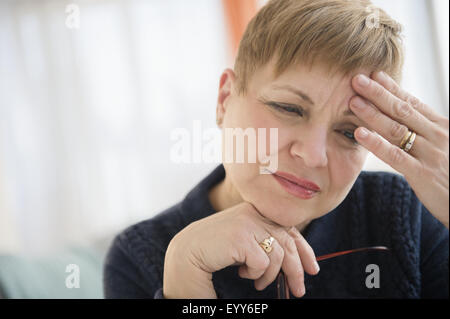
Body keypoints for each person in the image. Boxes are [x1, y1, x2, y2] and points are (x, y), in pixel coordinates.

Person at [103, 0, 449, 298]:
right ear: (225, 99)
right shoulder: (142, 257)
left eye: (348, 132)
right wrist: (184, 277)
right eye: (289, 109)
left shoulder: (409, 217)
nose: (313, 155)